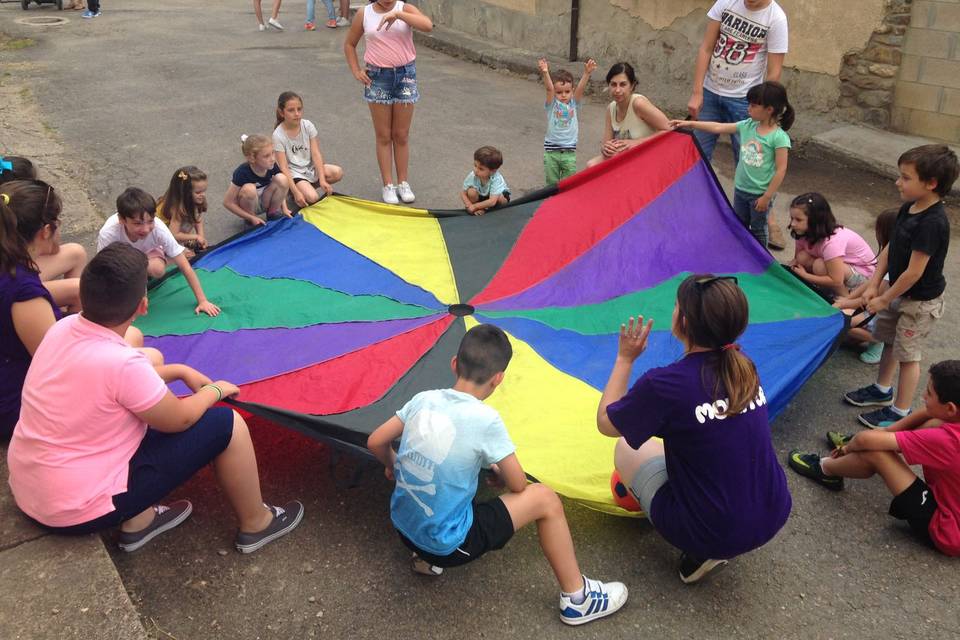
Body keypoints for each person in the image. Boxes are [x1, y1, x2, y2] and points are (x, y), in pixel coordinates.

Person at [7, 244, 304, 553]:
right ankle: (257, 522)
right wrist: (213, 391)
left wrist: (176, 370)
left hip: (31, 488)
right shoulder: (121, 364)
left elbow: (110, 383)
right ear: (143, 306)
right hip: (72, 510)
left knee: (129, 414)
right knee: (227, 424)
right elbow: (180, 419)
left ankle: (141, 520)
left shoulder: (62, 328)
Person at [367, 324, 628, 625]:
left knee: (445, 476)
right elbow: (518, 484)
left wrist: (394, 464)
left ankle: (425, 560)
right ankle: (577, 599)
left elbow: (376, 440)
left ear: (454, 364)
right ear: (498, 379)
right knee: (544, 498)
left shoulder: (423, 399)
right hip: (447, 546)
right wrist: (501, 475)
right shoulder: (487, 420)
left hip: (404, 529)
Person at [596, 275, 791, 583]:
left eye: (675, 305)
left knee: (626, 447)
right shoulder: (744, 366)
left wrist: (624, 358)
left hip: (713, 533)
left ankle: (701, 550)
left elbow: (606, 423)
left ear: (683, 321)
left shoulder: (665, 385)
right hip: (774, 510)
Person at [789, 360, 960, 557]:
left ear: (950, 408)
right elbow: (929, 412)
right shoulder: (949, 419)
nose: (923, 396)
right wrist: (887, 431)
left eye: (929, 393)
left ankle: (826, 469)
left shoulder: (947, 440)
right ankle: (888, 438)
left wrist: (848, 447)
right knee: (932, 421)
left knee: (875, 452)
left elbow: (864, 440)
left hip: (947, 530)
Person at [841, 145, 956, 429]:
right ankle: (882, 389)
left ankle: (900, 410)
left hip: (919, 302)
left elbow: (914, 273)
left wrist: (884, 298)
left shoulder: (933, 223)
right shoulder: (909, 207)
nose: (898, 182)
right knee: (890, 341)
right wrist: (874, 284)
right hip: (896, 293)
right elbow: (891, 249)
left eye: (906, 178)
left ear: (931, 184)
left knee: (908, 355)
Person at [687, 0, 789, 250]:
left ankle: (767, 217)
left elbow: (774, 71)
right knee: (696, 155)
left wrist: (763, 108)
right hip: (711, 92)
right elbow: (706, 48)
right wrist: (697, 91)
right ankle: (691, 211)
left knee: (753, 161)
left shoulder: (776, 18)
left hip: (745, 100)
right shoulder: (726, 3)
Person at [672, 81, 794, 249]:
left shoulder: (778, 137)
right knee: (739, 225)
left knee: (758, 229)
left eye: (753, 105)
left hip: (760, 195)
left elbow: (781, 169)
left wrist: (767, 197)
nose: (748, 108)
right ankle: (740, 253)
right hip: (741, 189)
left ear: (769, 110)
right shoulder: (747, 125)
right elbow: (717, 126)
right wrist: (691, 124)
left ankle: (762, 264)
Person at [344, 0, 433, 205]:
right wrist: (356, 71)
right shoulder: (364, 13)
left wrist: (399, 15)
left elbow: (427, 25)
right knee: (384, 135)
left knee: (401, 134)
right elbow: (349, 44)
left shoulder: (404, 8)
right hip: (378, 76)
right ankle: (388, 184)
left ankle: (403, 182)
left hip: (405, 75)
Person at [98, 187, 221, 317]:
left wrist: (202, 301)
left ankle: (160, 260)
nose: (145, 229)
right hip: (122, 257)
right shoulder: (109, 233)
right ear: (122, 220)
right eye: (137, 223)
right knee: (121, 286)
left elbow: (185, 266)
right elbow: (103, 268)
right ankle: (140, 273)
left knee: (157, 270)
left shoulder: (158, 229)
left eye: (150, 221)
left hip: (148, 253)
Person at [1, 179, 87, 311]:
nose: (59, 222)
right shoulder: (29, 293)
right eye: (56, 218)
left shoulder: (8, 250)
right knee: (81, 290)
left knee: (76, 252)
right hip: (27, 305)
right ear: (46, 231)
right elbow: (48, 332)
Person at [834, 208, 898, 365]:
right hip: (873, 310)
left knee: (841, 322)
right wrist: (848, 298)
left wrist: (845, 303)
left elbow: (874, 299)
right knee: (843, 322)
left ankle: (879, 341)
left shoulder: (895, 263)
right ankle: (863, 337)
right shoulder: (888, 256)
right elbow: (869, 284)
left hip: (880, 314)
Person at [788, 192, 876, 298]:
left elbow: (836, 280)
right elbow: (797, 259)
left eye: (798, 220)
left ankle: (845, 298)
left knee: (819, 265)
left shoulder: (832, 242)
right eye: (792, 218)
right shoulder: (802, 232)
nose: (793, 224)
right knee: (802, 257)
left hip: (864, 277)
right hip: (841, 270)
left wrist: (806, 276)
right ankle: (822, 287)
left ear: (815, 220)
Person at [586, 62, 670, 168]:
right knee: (591, 165)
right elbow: (606, 144)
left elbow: (670, 128)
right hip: (625, 157)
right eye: (613, 84)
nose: (617, 90)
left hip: (648, 155)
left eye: (623, 84)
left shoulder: (638, 104)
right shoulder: (611, 109)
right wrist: (605, 148)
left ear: (632, 86)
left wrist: (636, 143)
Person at [272, 91, 344, 210]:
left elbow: (316, 154)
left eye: (299, 109)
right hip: (295, 173)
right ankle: (294, 190)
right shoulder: (278, 135)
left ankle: (306, 187)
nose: (297, 114)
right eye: (291, 110)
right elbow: (283, 167)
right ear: (281, 112)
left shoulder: (308, 125)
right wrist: (296, 192)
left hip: (310, 168)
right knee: (313, 198)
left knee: (337, 172)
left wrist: (322, 180)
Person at [537, 57, 597, 185]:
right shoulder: (552, 104)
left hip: (569, 153)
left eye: (567, 91)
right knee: (551, 186)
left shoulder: (574, 104)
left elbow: (580, 89)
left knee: (568, 185)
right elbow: (549, 89)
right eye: (559, 92)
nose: (563, 95)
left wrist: (586, 74)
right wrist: (545, 72)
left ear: (572, 91)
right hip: (551, 153)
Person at [223, 134, 291, 226]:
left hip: (265, 200)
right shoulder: (242, 172)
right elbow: (228, 202)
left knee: (282, 179)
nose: (272, 159)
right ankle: (251, 221)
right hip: (250, 204)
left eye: (273, 153)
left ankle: (272, 213)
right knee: (249, 189)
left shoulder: (271, 165)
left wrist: (284, 208)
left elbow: (282, 187)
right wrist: (250, 217)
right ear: (252, 158)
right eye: (266, 156)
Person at [156, 166, 209, 257]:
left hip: (174, 228)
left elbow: (198, 219)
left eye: (204, 191)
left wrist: (201, 236)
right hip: (160, 236)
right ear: (185, 193)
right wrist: (195, 237)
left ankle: (184, 241)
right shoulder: (177, 208)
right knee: (189, 256)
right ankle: (168, 254)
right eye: (198, 192)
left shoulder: (195, 200)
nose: (203, 195)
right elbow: (173, 235)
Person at [460, 146, 510, 216]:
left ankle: (496, 210)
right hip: (483, 196)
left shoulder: (496, 179)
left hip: (495, 198)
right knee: (471, 192)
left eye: (481, 169)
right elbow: (463, 193)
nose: (476, 170)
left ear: (493, 171)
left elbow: (492, 201)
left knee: (500, 198)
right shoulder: (473, 175)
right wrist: (469, 205)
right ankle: (480, 209)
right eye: (475, 165)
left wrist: (475, 206)